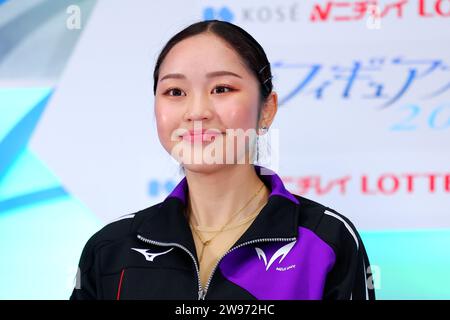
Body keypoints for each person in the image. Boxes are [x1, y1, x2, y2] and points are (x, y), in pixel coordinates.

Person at [70, 19, 375, 300]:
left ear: (267, 108)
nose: (197, 111)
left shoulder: (324, 240)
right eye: (175, 91)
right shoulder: (110, 249)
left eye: (222, 89)